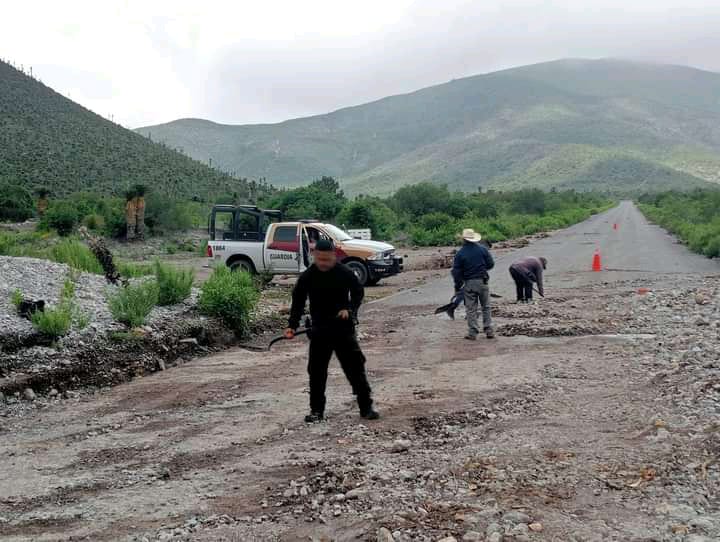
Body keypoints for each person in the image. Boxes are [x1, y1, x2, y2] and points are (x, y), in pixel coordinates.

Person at [284, 239, 379, 423]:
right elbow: (298, 301)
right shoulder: (307, 276)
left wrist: (349, 309)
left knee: (355, 369)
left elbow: (358, 292)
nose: (323, 263)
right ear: (314, 256)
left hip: (342, 329)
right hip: (319, 330)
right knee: (316, 372)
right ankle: (316, 411)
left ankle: (366, 407)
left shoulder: (344, 273)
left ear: (334, 257)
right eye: (319, 259)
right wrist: (292, 325)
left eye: (327, 260)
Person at [452, 228, 495, 340]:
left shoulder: (460, 253)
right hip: (483, 281)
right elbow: (491, 264)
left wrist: (458, 286)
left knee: (471, 308)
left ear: (463, 240)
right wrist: (481, 268)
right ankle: (489, 330)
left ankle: (473, 332)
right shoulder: (483, 250)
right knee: (486, 306)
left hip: (469, 283)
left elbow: (456, 272)